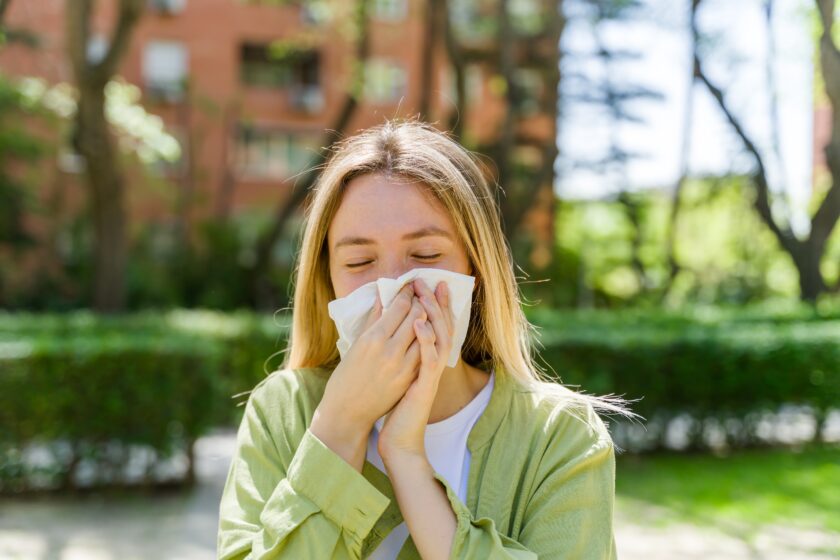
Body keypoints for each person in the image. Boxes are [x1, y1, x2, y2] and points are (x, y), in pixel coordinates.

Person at [217, 119, 635, 559]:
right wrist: (339, 427)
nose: (393, 288)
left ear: (475, 267)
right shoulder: (283, 411)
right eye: (359, 261)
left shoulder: (558, 435)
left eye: (426, 255)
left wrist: (407, 459)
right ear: (328, 281)